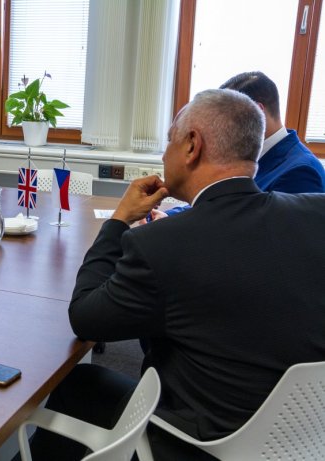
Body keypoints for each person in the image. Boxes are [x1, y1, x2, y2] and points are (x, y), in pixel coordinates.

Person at [26, 89, 325, 460]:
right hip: (303, 437)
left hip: (200, 445)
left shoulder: (163, 245)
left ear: (191, 146)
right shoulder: (317, 214)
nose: (164, 153)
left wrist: (120, 220)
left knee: (80, 383)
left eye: (169, 140)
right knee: (87, 383)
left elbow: (85, 317)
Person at [158, 71, 325, 220]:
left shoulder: (300, 172)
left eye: (224, 118)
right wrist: (167, 216)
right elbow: (216, 200)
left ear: (257, 113)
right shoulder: (245, 156)